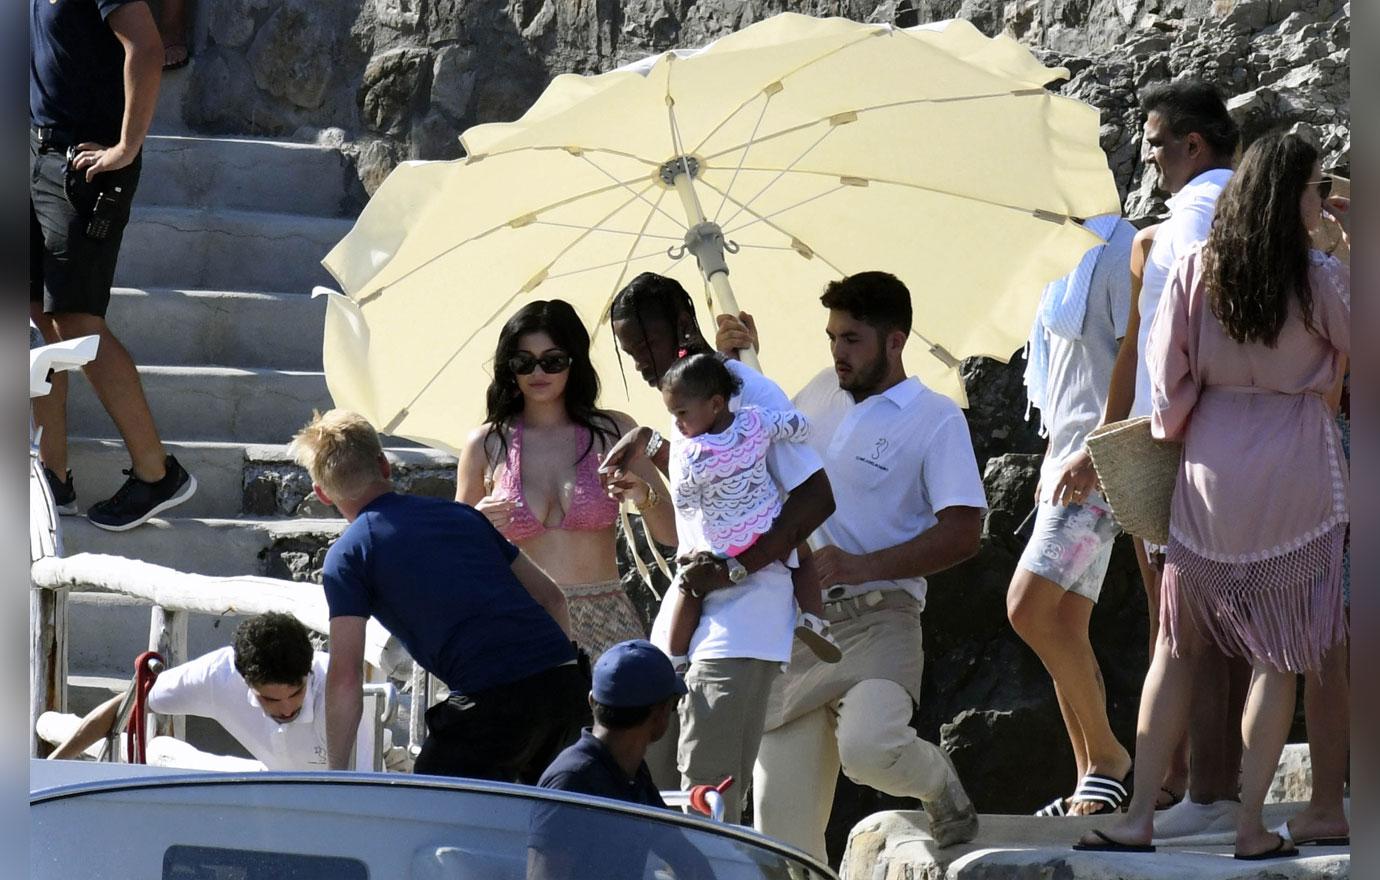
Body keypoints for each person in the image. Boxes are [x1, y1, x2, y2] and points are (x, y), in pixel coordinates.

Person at [1076, 131, 1350, 860]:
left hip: (1209, 464)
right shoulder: (1318, 275)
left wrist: (1183, 428)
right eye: (1316, 187)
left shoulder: (1199, 267)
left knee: (1177, 644)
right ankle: (1252, 824)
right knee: (1278, 653)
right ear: (1294, 197)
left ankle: (1138, 816)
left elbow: (1166, 387)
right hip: (1294, 461)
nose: (1322, 198)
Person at [717, 270, 986, 859]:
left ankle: (940, 784)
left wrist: (863, 566)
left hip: (881, 619)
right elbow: (757, 448)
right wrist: (732, 369)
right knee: (779, 841)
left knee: (870, 749)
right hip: (797, 631)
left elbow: (966, 532)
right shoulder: (816, 391)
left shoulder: (936, 417)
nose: (838, 353)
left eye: (853, 339)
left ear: (896, 340)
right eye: (832, 337)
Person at [1053, 79, 1246, 835]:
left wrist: (1123, 441)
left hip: (1176, 443)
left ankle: (1203, 789)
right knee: (1217, 620)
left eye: (1158, 143)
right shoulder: (1235, 215)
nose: (1151, 158)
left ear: (1192, 144)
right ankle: (1203, 783)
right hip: (1212, 438)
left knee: (1188, 622)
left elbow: (1166, 344)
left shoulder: (1184, 223)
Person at [598, 271, 836, 825]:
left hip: (746, 619)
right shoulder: (681, 402)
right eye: (630, 352)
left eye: (646, 345)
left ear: (683, 323)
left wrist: (734, 570)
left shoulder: (750, 394)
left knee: (706, 794)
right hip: (687, 612)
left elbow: (817, 498)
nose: (639, 363)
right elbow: (683, 536)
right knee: (651, 787)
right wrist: (644, 480)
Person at [291, 409, 588, 781]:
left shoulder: (350, 555)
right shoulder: (462, 517)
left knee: (434, 808)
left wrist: (335, 773)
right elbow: (552, 599)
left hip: (490, 699)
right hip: (563, 683)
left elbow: (346, 677)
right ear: (384, 466)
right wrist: (562, 680)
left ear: (321, 493)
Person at [30, 0, 198, 531]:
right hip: (36, 156)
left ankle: (157, 473)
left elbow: (146, 49)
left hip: (82, 169)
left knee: (77, 319)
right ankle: (52, 479)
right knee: (38, 312)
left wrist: (126, 146)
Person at [456, 300, 674, 660]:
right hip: (521, 623)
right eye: (523, 362)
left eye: (552, 360)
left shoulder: (616, 431)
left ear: (574, 361)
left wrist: (642, 494)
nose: (537, 372)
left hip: (608, 623)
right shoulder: (485, 443)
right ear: (509, 368)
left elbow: (674, 535)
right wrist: (476, 521)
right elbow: (453, 558)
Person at [1011, 214, 1137, 817]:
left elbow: (1131, 358)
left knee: (1026, 607)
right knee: (1063, 622)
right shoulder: (1054, 251)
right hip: (1064, 463)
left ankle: (1109, 755)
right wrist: (1051, 454)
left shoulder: (1116, 247)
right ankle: (1089, 774)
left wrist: (1097, 447)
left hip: (1096, 468)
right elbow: (1062, 375)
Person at [619, 354, 841, 669]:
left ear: (715, 404)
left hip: (721, 542)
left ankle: (677, 656)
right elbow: (795, 425)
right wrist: (803, 428)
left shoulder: (691, 452)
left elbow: (684, 500)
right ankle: (814, 618)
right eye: (673, 415)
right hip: (765, 526)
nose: (678, 424)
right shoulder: (755, 420)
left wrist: (691, 538)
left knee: (689, 587)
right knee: (803, 558)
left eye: (682, 413)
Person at [50, 613, 329, 769]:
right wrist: (48, 768)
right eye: (269, 698)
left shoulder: (336, 688)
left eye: (296, 693)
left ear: (309, 673)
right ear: (242, 679)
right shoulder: (218, 676)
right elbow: (126, 705)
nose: (286, 708)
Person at [529, 641, 711, 880]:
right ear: (660, 715)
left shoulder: (633, 773)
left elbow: (686, 858)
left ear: (592, 701)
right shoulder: (571, 782)